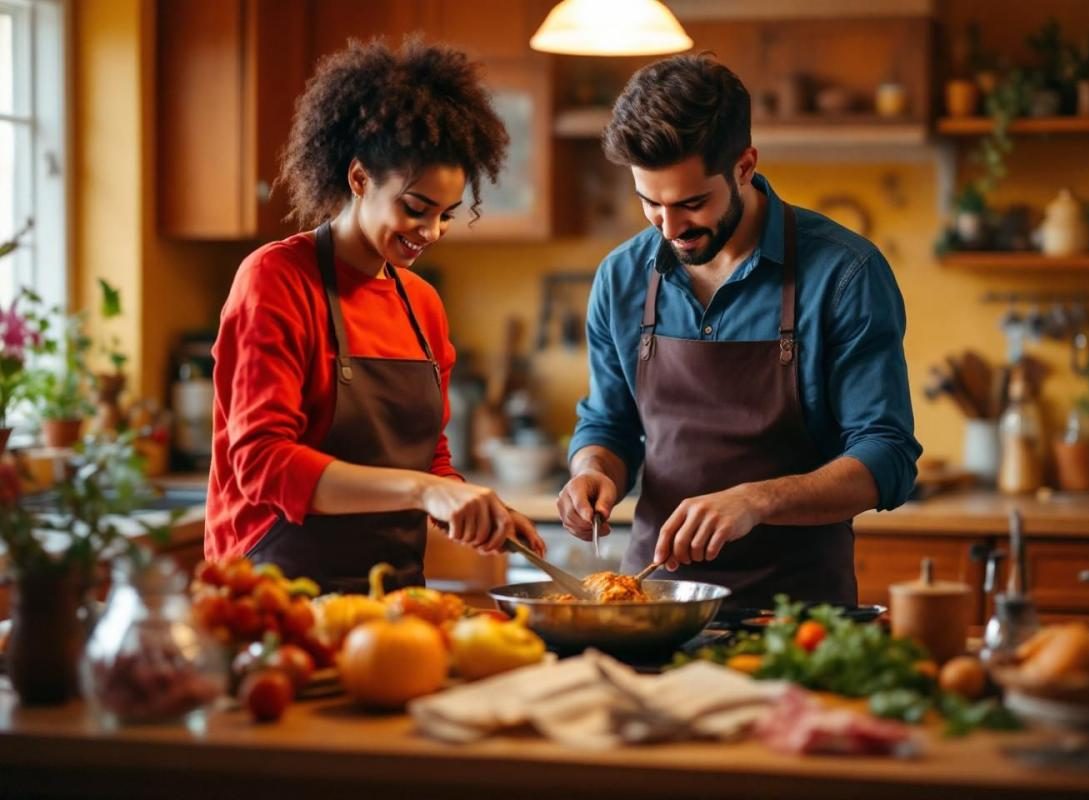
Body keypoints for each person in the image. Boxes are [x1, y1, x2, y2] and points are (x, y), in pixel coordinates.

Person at [557, 54, 922, 609]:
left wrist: (758, 500)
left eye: (692, 203)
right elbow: (609, 423)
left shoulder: (845, 274)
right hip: (653, 606)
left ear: (745, 166)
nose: (670, 228)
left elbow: (887, 455)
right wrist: (593, 470)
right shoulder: (621, 276)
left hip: (796, 616)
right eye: (649, 203)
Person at [206, 38, 543, 594]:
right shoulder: (276, 280)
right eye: (415, 208)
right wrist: (424, 492)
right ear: (360, 179)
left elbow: (428, 457)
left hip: (394, 594)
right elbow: (263, 465)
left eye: (446, 215)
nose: (431, 232)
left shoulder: (422, 304)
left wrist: (474, 507)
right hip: (275, 593)